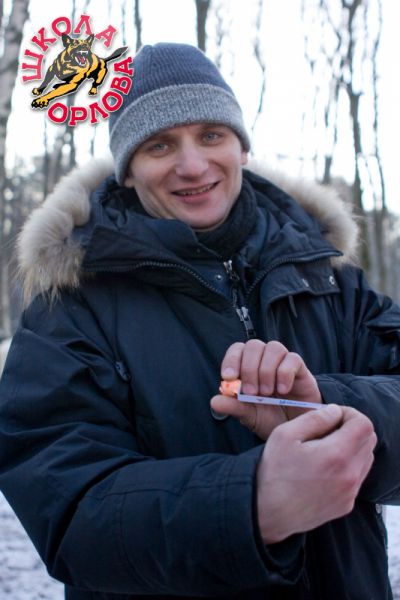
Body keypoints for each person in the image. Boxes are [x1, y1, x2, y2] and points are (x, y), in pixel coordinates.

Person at [0, 42, 399, 600]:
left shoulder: (325, 272)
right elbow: (65, 508)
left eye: (211, 135)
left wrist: (324, 407)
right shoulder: (71, 302)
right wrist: (250, 505)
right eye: (159, 144)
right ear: (129, 171)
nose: (192, 166)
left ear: (241, 146)